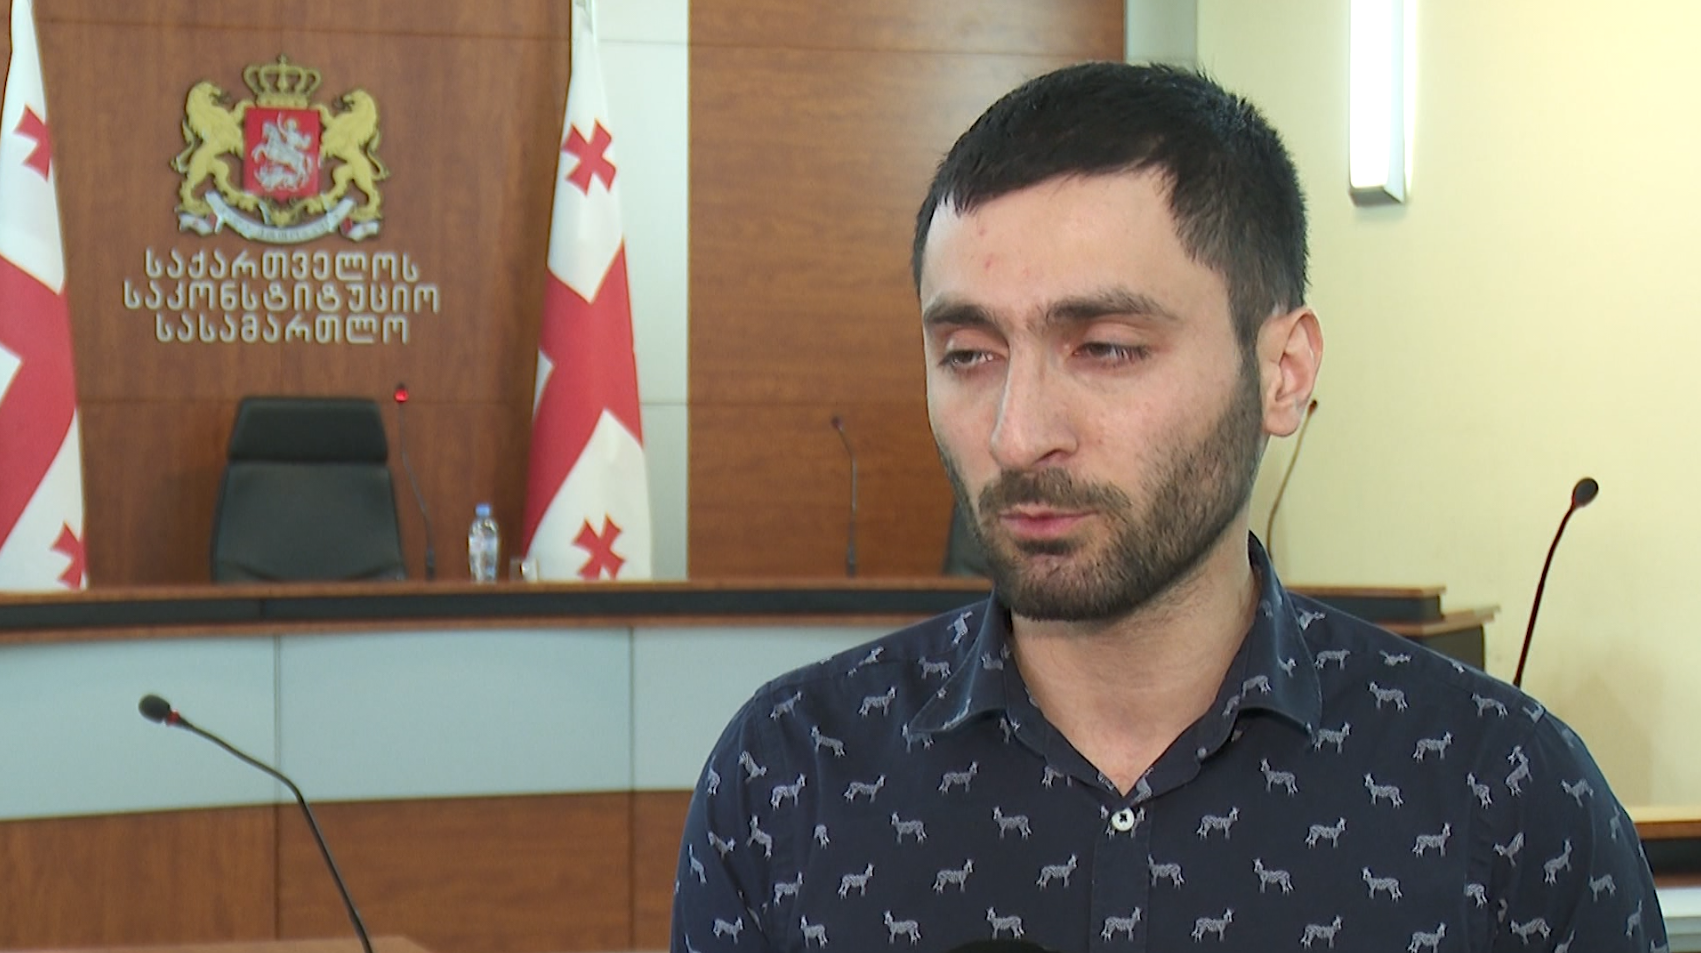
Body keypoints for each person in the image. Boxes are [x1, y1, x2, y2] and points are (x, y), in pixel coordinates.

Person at [670, 62, 1666, 953]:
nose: (1017, 434)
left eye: (1107, 348)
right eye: (968, 354)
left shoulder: (1505, 794)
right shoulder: (789, 779)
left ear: (1282, 372)